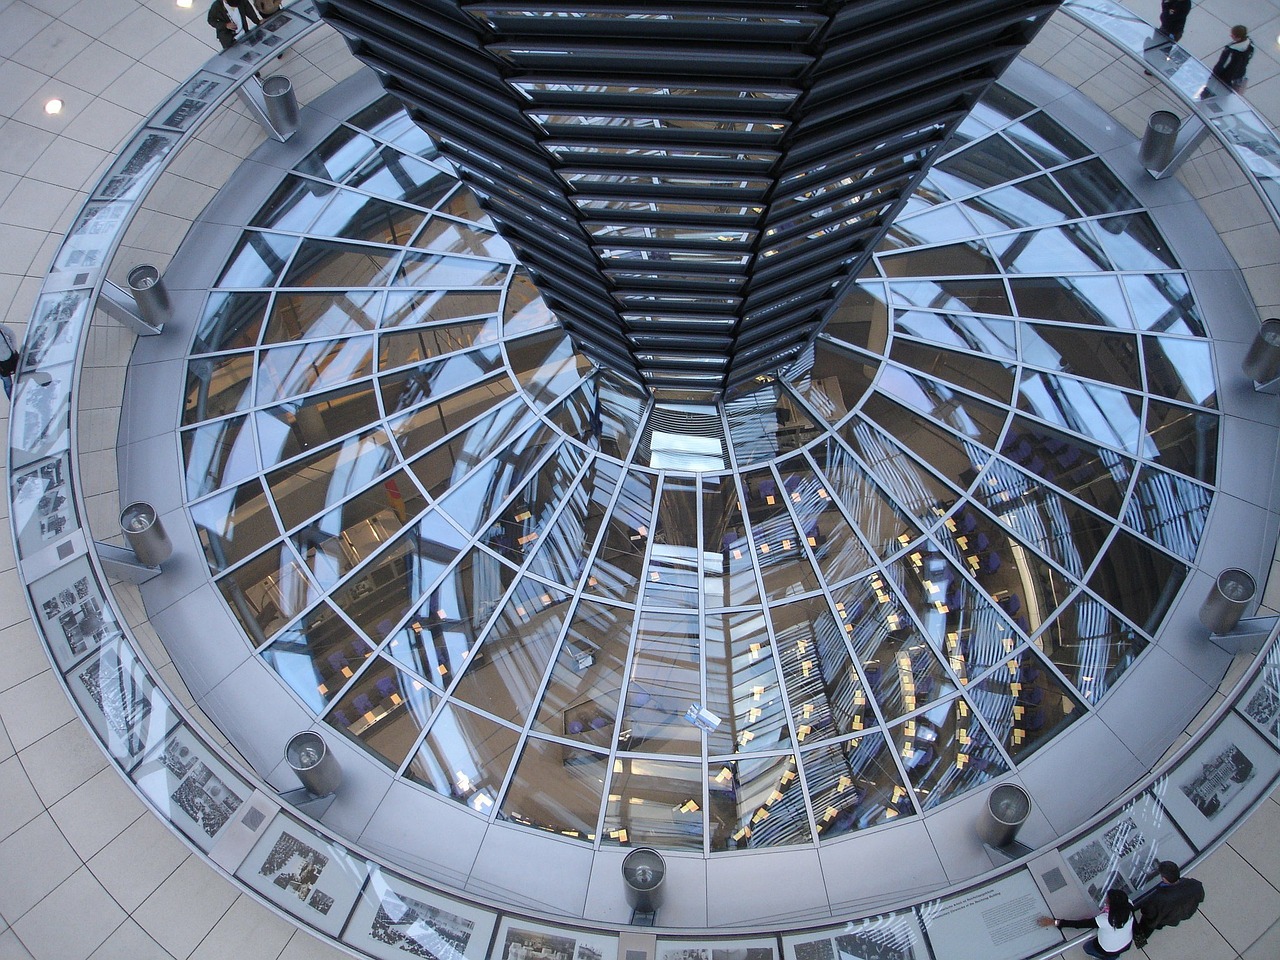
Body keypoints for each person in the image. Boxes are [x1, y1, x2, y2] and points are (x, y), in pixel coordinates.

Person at [1038, 888, 1134, 960]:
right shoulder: (1129, 905)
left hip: (1108, 949)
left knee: (1088, 947)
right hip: (1126, 944)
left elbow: (1079, 925)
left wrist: (1053, 922)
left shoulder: (1105, 920)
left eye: (1108, 900)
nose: (1105, 900)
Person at [1134, 860, 1206, 948]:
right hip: (1180, 914)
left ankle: (1141, 940)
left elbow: (1148, 914)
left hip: (1166, 917)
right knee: (1159, 923)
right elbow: (1200, 897)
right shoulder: (1194, 884)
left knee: (1147, 927)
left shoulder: (1158, 898)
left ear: (1164, 879)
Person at [1210, 25, 1255, 93]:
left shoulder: (1231, 51)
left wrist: (1214, 75)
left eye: (1232, 35)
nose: (1231, 35)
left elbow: (1222, 65)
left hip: (1226, 78)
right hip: (1239, 74)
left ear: (1238, 38)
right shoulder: (1250, 45)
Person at [0, 323, 18, 399]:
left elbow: (11, 334)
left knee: (22, 375)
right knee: (8, 385)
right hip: (1, 364)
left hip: (11, 356)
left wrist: (13, 349)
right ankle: (13, 402)